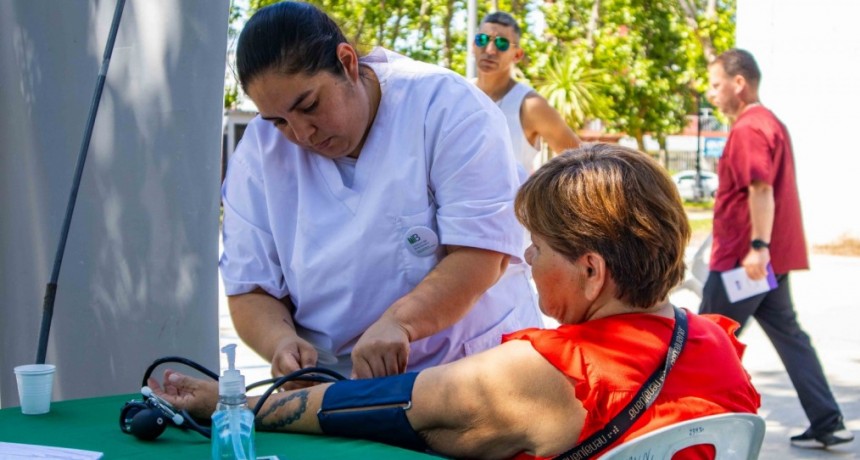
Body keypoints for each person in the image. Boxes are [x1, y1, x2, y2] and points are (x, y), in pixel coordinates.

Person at [152, 144, 760, 459]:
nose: (526, 262)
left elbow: (374, 403)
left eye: (538, 251)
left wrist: (224, 401)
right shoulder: (715, 343)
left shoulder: (552, 373)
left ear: (592, 272)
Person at [220, 1, 542, 381]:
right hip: (337, 386)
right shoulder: (259, 152)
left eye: (309, 105)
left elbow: (481, 255)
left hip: (468, 368)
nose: (301, 134)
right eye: (278, 122)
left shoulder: (446, 107)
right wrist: (280, 343)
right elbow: (251, 287)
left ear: (347, 62)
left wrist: (400, 323)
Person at [701, 48, 853, 448]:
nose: (711, 93)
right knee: (790, 337)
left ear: (739, 83)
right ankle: (827, 420)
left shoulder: (750, 127)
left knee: (704, 342)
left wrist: (757, 246)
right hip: (762, 263)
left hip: (744, 261)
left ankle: (693, 429)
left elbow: (761, 188)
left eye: (716, 84)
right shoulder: (770, 123)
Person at [472, 12, 581, 177]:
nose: (490, 50)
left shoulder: (531, 105)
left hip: (512, 203)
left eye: (502, 43)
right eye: (482, 39)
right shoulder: (460, 93)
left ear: (517, 54)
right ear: (473, 45)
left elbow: (581, 161)